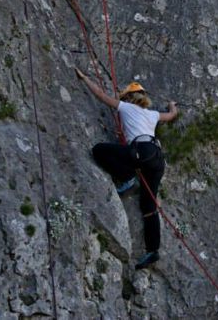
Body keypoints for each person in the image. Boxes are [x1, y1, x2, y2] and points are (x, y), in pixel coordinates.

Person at [75, 68, 178, 269]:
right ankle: (152, 250)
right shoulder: (153, 114)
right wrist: (173, 106)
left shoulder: (126, 107)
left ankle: (127, 177)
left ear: (129, 98)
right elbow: (172, 115)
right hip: (157, 158)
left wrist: (86, 78)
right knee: (149, 207)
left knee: (99, 150)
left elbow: (101, 96)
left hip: (141, 151)